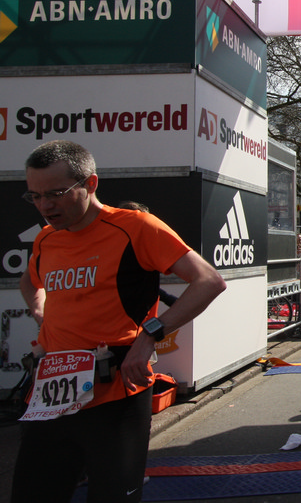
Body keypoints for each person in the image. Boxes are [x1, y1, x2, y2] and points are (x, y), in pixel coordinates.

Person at [12, 140, 226, 503]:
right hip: (50, 397)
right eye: (35, 195)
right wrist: (40, 311)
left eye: (56, 194)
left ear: (90, 184)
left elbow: (208, 281)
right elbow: (30, 283)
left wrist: (149, 336)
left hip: (114, 397)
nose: (45, 205)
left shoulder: (135, 227)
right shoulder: (47, 239)